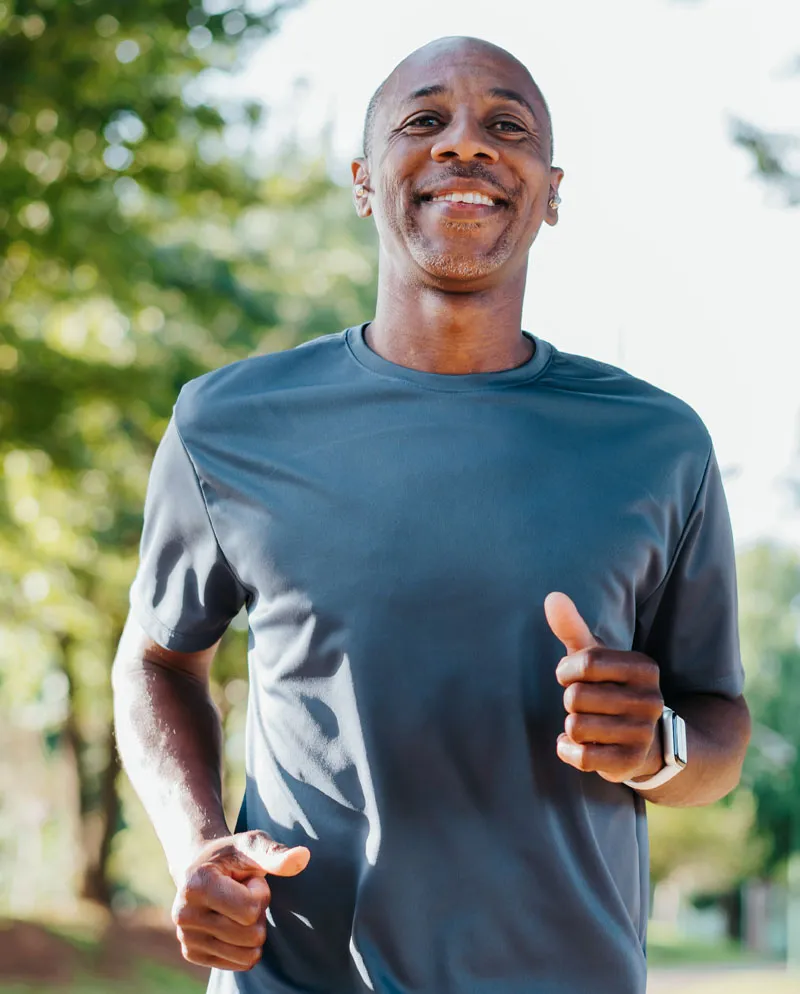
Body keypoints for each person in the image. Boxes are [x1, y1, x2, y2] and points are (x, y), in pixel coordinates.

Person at [112, 35, 751, 994]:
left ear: (551, 190)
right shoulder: (228, 423)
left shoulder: (658, 444)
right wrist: (198, 848)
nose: (467, 145)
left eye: (507, 127)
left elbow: (720, 728)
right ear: (366, 183)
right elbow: (158, 661)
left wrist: (654, 745)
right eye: (424, 121)